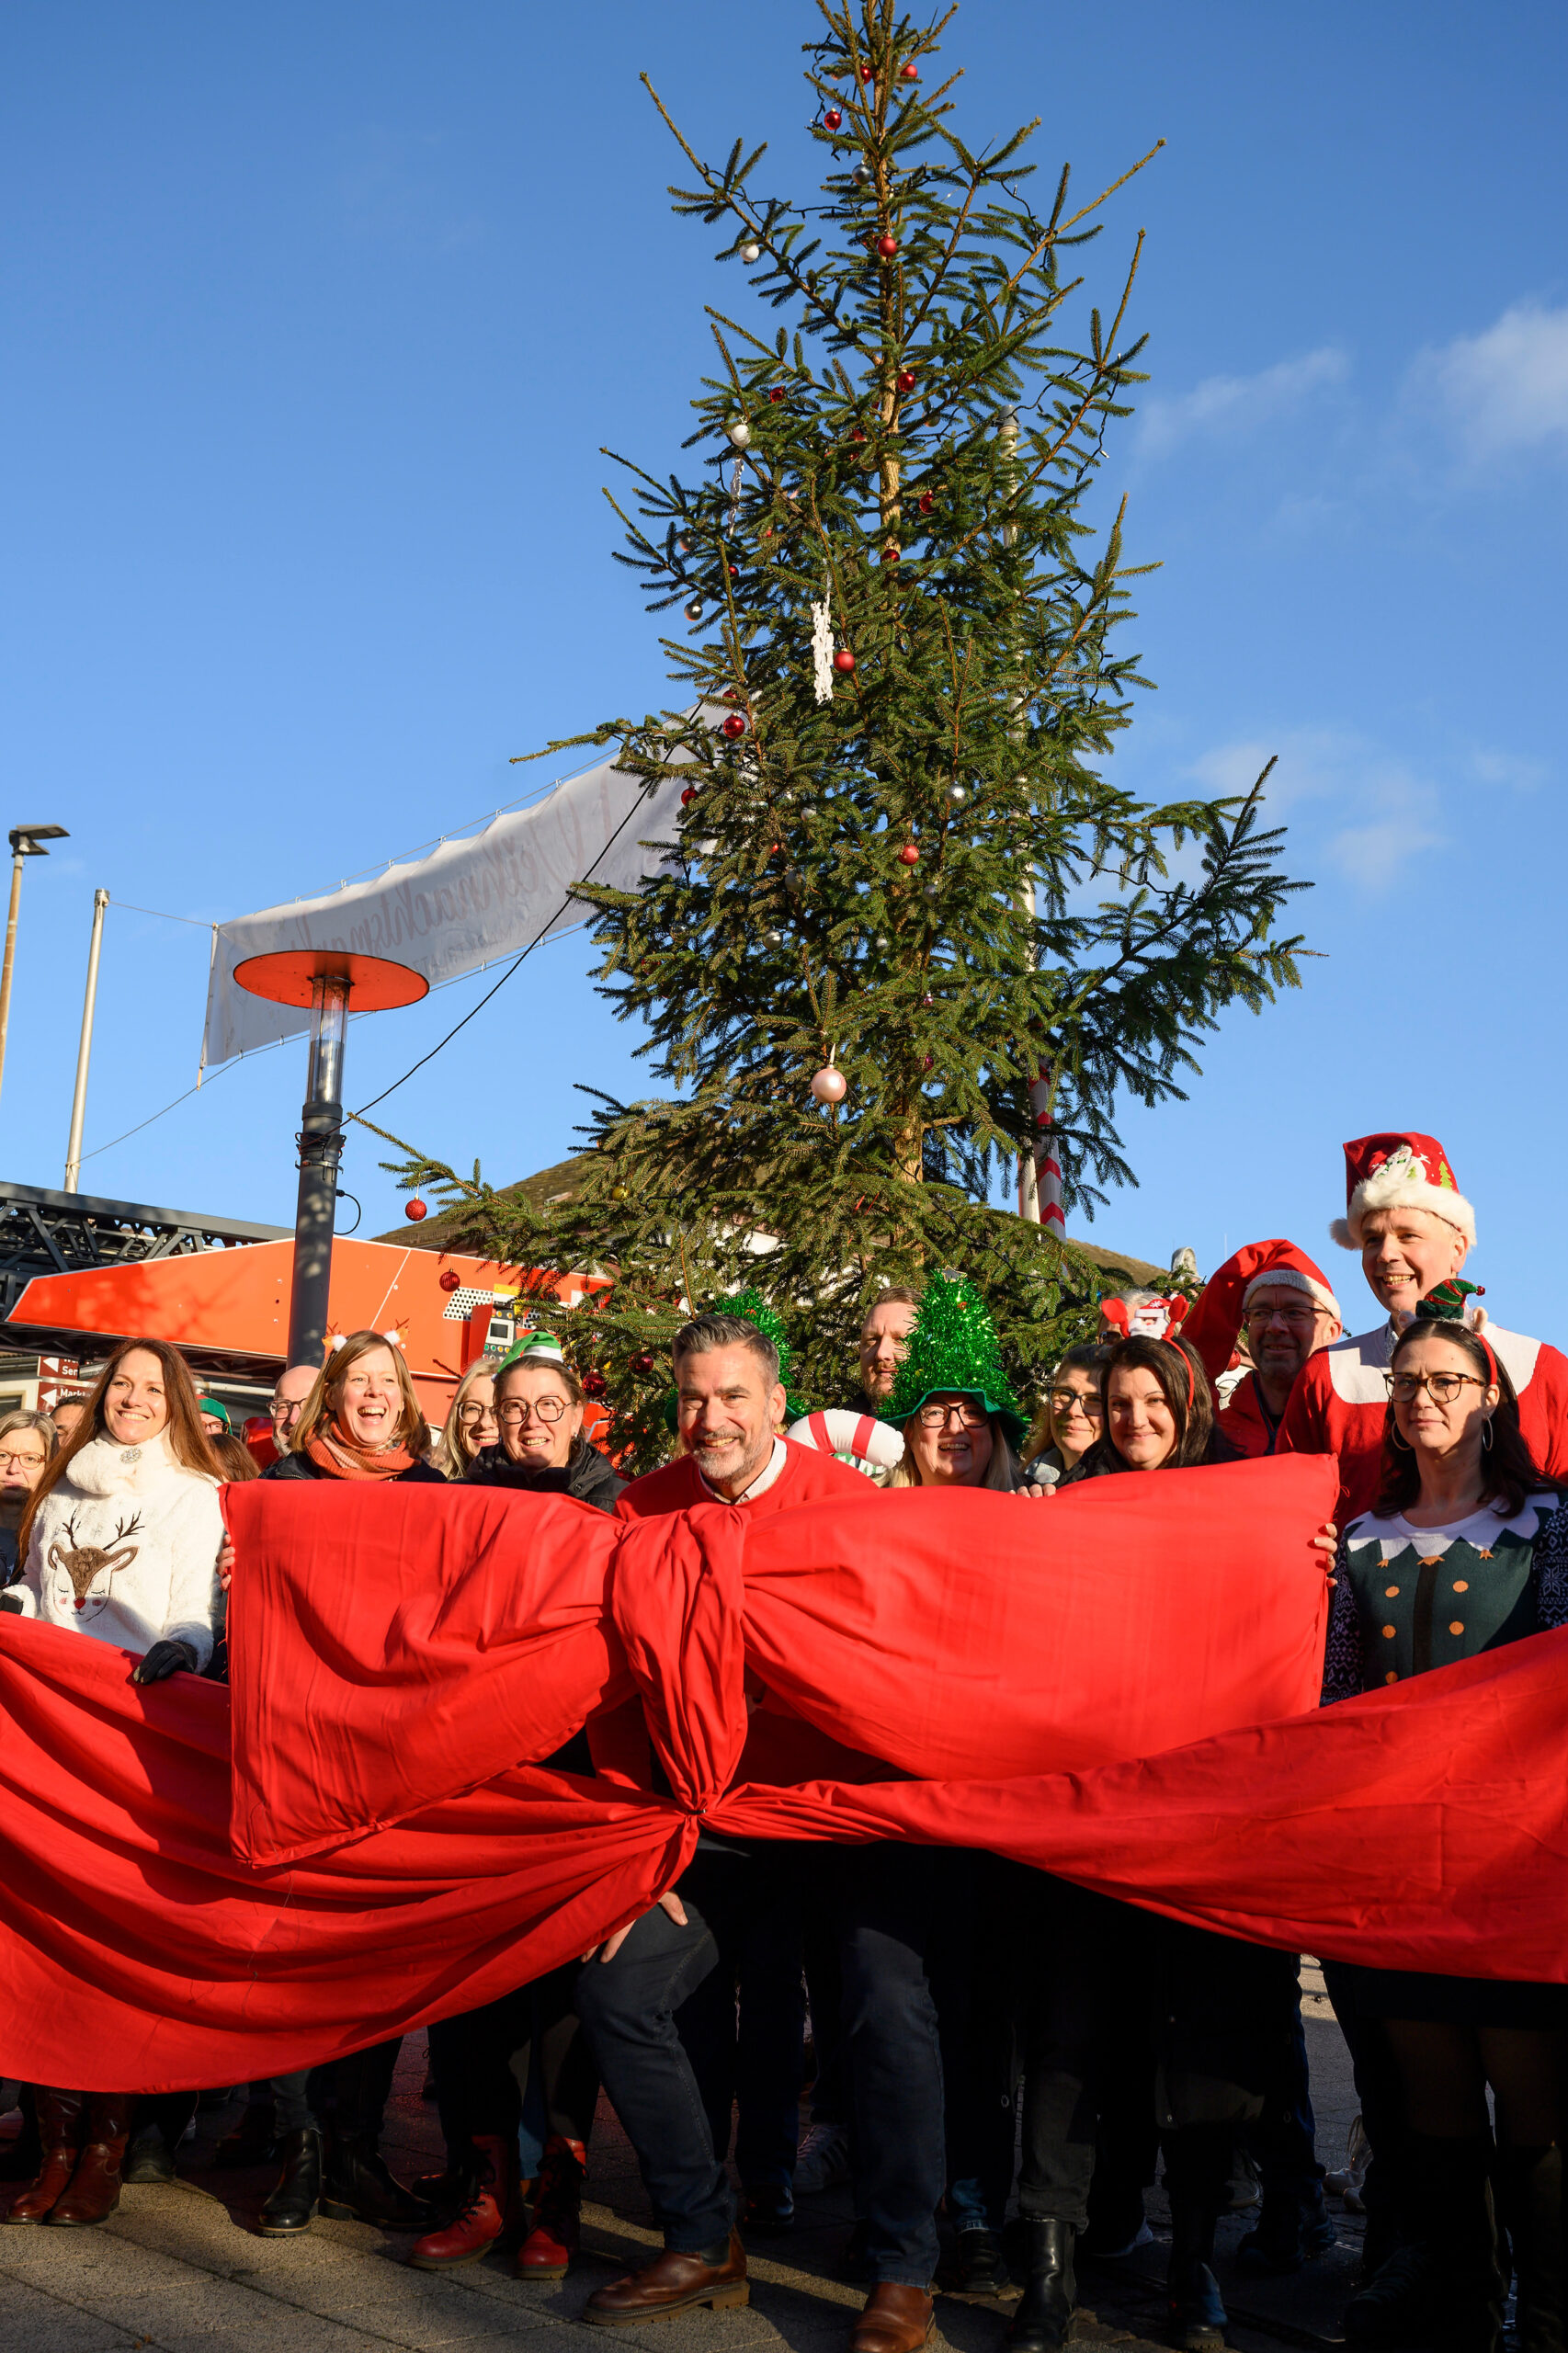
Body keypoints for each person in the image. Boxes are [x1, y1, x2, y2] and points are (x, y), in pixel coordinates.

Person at [575, 1314, 918, 2346]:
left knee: (887, 2010)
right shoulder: (641, 1512)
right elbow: (612, 1694)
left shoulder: (853, 1507)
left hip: (845, 1814)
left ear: (777, 1405)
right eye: (692, 1396)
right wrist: (645, 1849)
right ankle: (699, 2232)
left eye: (732, 1397)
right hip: (713, 1823)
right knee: (618, 1987)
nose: (709, 1417)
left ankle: (903, 2266)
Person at [1323, 1311, 1568, 2353]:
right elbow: (1334, 1698)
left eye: (1445, 1381)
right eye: (1406, 1381)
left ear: (1486, 1397)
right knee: (1429, 2095)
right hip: (1395, 1855)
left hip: (1512, 1854)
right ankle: (1465, 2299)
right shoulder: (1356, 1540)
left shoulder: (1552, 1524)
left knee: (1532, 2094)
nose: (1421, 1397)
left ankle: (1549, 2314)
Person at [408, 1331, 620, 2282]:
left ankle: (556, 2189)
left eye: (548, 1407)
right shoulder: (462, 1502)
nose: (530, 1424)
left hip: (574, 1780)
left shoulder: (617, 1506)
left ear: (577, 1415)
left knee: (563, 1996)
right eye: (514, 1409)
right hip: (478, 1777)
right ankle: (481, 2175)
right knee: (465, 1988)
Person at [0, 1340, 223, 2232]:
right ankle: (53, 2145)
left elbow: (194, 1609)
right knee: (43, 1945)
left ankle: (106, 2149)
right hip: (47, 1742)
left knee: (111, 1955)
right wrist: (13, 1612)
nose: (134, 1398)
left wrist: (185, 1649)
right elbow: (37, 1593)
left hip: (133, 1745)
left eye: (150, 1387)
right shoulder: (61, 1489)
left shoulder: (192, 1495)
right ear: (102, 1396)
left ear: (174, 1401)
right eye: (121, 1384)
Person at [249, 1331, 443, 2239]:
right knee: (294, 1954)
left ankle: (356, 2147)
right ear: (331, 1395)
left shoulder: (437, 1493)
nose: (370, 1395)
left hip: (397, 1756)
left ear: (404, 1397)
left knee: (377, 1956)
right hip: (302, 1747)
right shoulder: (286, 1485)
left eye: (385, 1382)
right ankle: (301, 2147)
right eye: (355, 1381)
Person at [1280, 1132, 1568, 1520]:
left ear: (1458, 1249)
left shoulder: (1542, 1370)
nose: (1385, 1254)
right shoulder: (1328, 1375)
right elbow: (1289, 1515)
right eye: (1371, 1239)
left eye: (1407, 1236)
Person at [1184, 1241, 1343, 1457]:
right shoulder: (1206, 1440)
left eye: (1295, 1312)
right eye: (1261, 1312)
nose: (1275, 1326)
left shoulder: (1353, 1430)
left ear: (1332, 1330)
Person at [1020, 1344, 1111, 1487]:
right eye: (1064, 1394)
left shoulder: (1129, 1495)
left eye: (1094, 1399)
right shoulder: (1020, 1484)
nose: (1073, 1411)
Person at [0, 1408, 54, 1584]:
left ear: (49, 1466)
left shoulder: (54, 1536)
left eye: (30, 1459)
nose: (13, 1469)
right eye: (3, 1455)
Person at [847, 1289, 919, 1414]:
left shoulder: (958, 1430)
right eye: (872, 1340)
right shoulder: (836, 1429)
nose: (881, 1353)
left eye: (901, 1340)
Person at [431, 1357, 500, 1478]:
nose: (485, 1422)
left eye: (497, 1410)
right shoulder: (436, 1489)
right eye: (473, 1408)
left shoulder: (537, 1492)